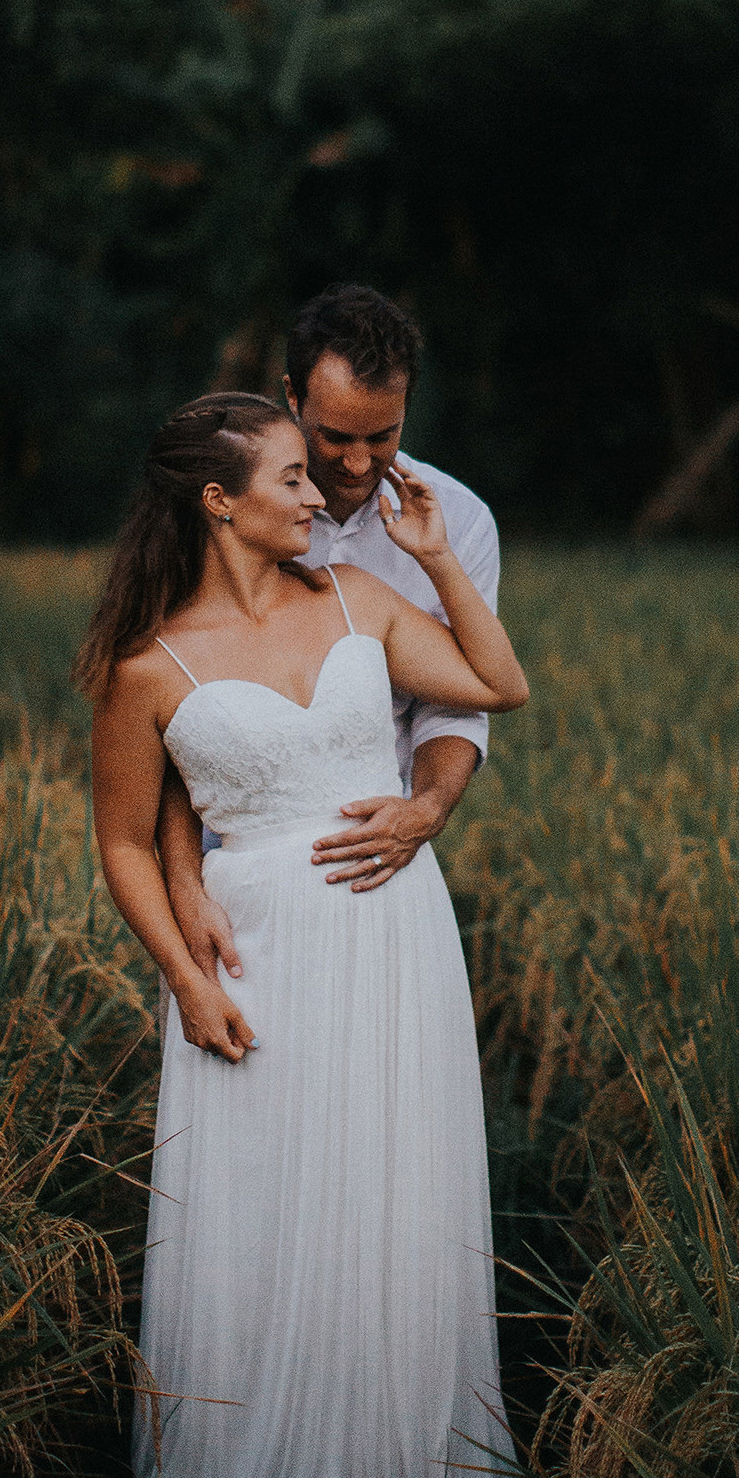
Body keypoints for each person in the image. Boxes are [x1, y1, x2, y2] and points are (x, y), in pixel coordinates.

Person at [79, 388, 528, 1478]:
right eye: (289, 476)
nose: (316, 497)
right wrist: (185, 979)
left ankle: (397, 1455)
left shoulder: (356, 598)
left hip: (394, 931)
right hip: (256, 949)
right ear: (218, 502)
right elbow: (123, 842)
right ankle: (247, 1459)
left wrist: (437, 558)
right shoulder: (147, 666)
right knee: (263, 1194)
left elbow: (497, 685)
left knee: (394, 1178)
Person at [159, 285, 499, 989]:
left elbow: (463, 700)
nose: (357, 463)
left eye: (383, 437)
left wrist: (426, 810)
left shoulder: (459, 521)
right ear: (291, 396)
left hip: (381, 866)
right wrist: (186, 888)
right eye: (336, 437)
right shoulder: (226, 518)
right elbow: (169, 725)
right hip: (234, 868)